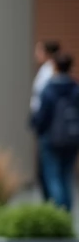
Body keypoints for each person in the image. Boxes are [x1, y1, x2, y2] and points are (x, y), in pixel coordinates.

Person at [32, 52, 79, 211]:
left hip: (50, 138)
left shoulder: (49, 89)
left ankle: (58, 213)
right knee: (66, 176)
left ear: (56, 68)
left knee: (53, 176)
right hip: (72, 138)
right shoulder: (75, 89)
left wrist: (36, 127)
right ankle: (67, 214)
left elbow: (42, 116)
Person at [31, 40, 61, 197]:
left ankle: (54, 210)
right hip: (51, 128)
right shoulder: (48, 71)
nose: (36, 54)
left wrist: (37, 122)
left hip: (48, 128)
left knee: (51, 173)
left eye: (38, 51)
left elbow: (45, 102)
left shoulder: (49, 73)